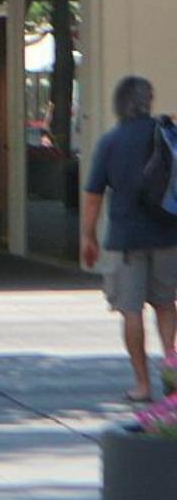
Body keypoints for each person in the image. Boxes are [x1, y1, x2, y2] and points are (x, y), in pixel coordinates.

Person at [79, 76, 177, 402]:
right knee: (165, 304)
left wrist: (88, 236)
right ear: (149, 100)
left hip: (126, 240)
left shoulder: (111, 141)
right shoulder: (168, 134)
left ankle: (142, 384)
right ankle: (172, 376)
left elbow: (93, 195)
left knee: (130, 309)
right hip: (167, 234)